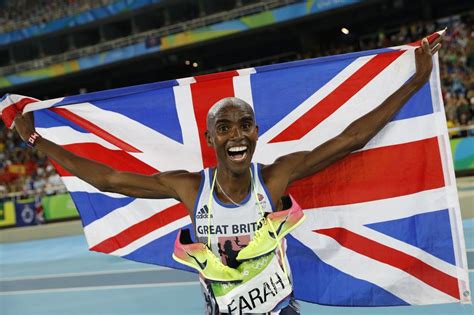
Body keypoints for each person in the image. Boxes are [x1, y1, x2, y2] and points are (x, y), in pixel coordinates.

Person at [12, 37, 442, 314]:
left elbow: (350, 138)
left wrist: (415, 80)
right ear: (210, 139)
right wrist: (36, 141)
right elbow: (107, 178)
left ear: (255, 132)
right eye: (225, 128)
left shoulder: (274, 178)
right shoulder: (189, 187)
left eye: (245, 125)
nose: (237, 135)